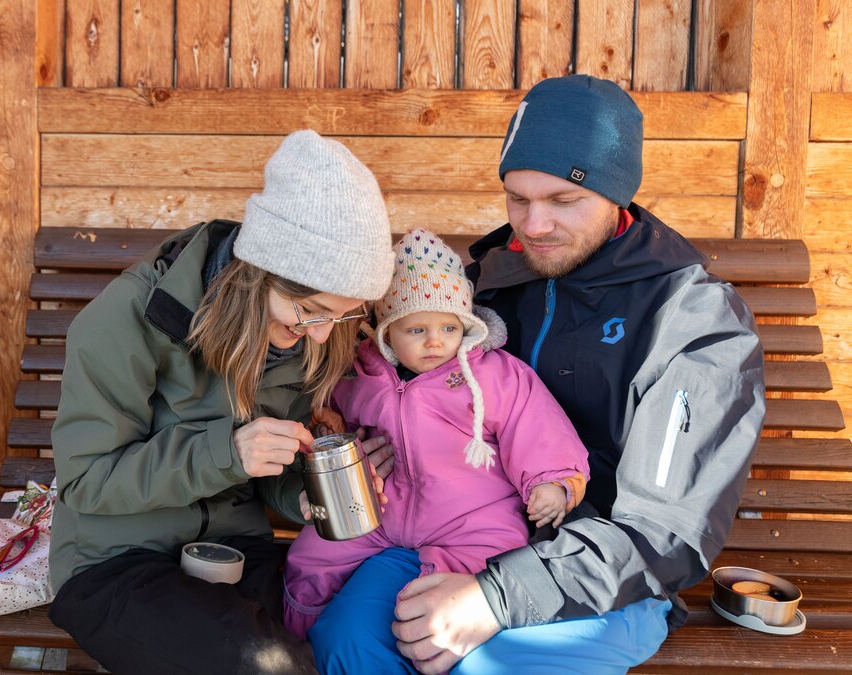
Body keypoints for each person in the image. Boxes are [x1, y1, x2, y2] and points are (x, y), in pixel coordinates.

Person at [383, 74, 766, 674]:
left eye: (563, 201)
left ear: (618, 196)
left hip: (603, 588)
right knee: (355, 637)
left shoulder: (691, 321)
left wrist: (499, 594)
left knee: (479, 666)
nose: (533, 225)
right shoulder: (483, 287)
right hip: (452, 544)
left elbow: (665, 533)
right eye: (517, 198)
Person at [44, 129, 397, 675]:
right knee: (266, 667)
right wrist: (226, 453)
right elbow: (88, 482)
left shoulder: (304, 334)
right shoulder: (126, 321)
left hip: (235, 552)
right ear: (256, 276)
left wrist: (307, 499)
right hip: (115, 564)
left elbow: (267, 474)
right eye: (311, 311)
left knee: (332, 654)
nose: (323, 335)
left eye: (340, 316)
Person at [281, 228, 591, 673]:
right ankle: (299, 642)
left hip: (471, 519)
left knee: (491, 562)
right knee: (312, 554)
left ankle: (443, 645)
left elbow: (538, 427)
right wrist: (329, 427)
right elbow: (335, 417)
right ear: (386, 333)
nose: (435, 341)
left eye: (449, 327)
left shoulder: (494, 375)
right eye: (416, 329)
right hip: (378, 513)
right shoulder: (362, 372)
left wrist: (554, 482)